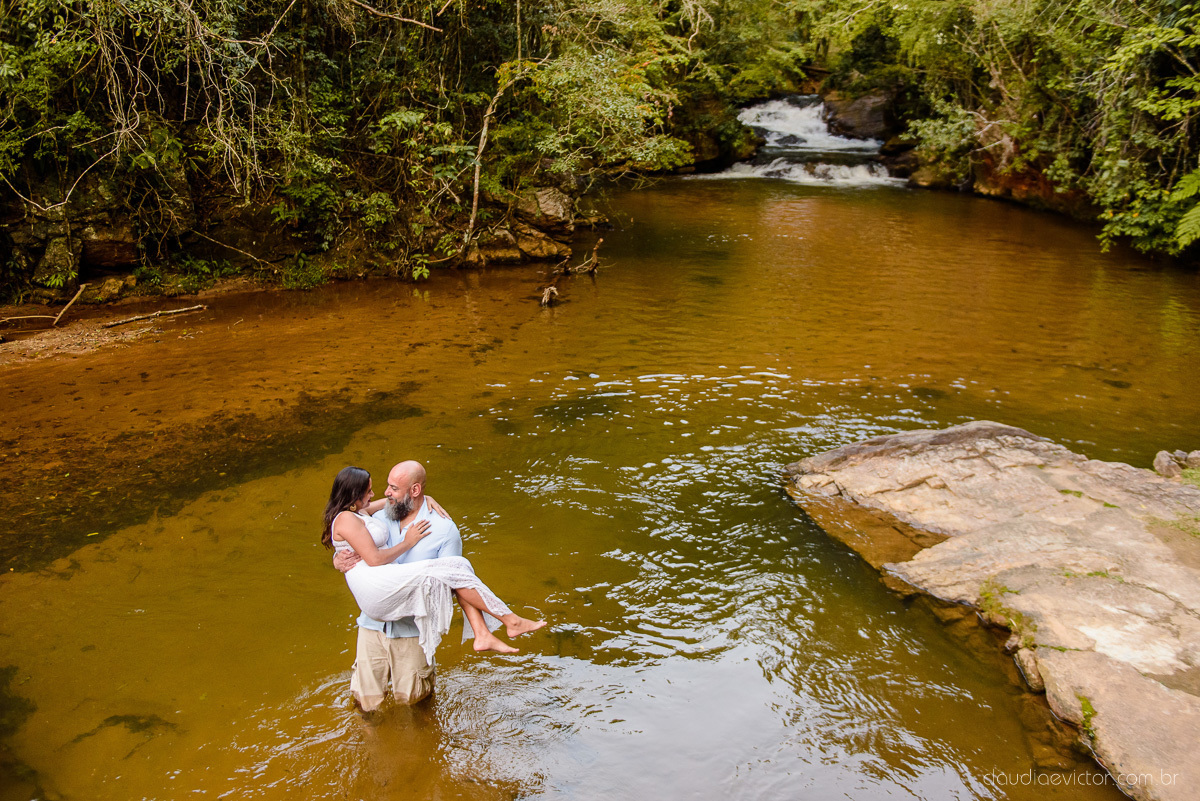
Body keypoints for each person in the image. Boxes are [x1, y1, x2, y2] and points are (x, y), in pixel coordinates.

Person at [322, 465, 545, 706]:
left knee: (415, 707)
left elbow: (454, 583)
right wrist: (337, 559)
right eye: (384, 487)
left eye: (393, 488)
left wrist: (425, 499)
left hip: (411, 632)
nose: (385, 493)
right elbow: (349, 538)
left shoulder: (444, 529)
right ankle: (503, 624)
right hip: (372, 626)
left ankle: (486, 632)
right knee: (364, 703)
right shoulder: (380, 515)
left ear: (415, 490)